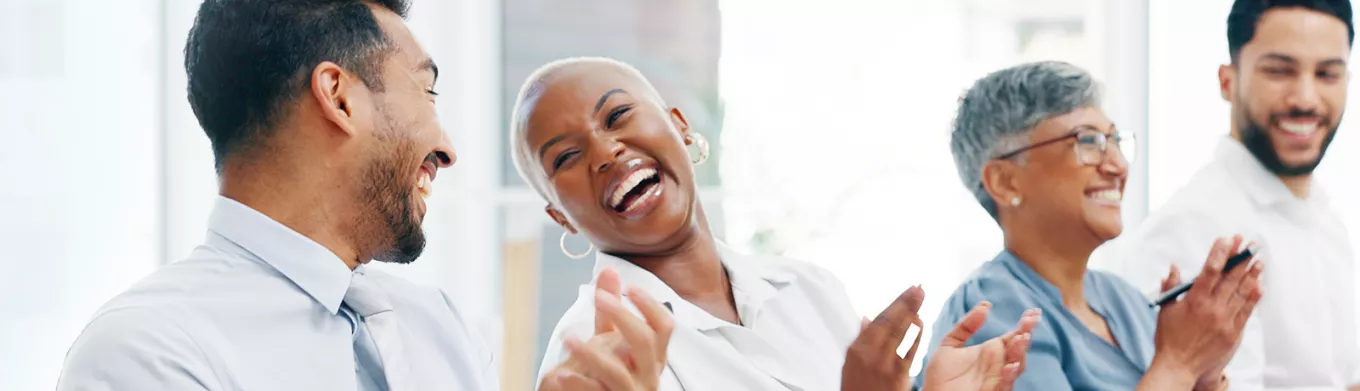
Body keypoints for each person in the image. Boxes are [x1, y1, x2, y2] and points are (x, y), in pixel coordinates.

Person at [56, 1, 667, 390]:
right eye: (427, 94)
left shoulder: (444, 330)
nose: (448, 148)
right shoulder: (146, 353)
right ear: (339, 97)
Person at [509, 56, 1045, 391]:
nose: (605, 151)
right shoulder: (592, 351)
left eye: (617, 116)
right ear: (561, 216)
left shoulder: (808, 289)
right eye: (565, 158)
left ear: (679, 126)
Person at [913, 61, 1266, 391]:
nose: (1117, 165)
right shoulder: (990, 311)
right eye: (1088, 142)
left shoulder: (1122, 299)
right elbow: (1172, 370)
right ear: (1005, 181)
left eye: (1114, 141)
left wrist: (1204, 373)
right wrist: (1179, 362)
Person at [1115, 1, 1360, 390]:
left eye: (1327, 73)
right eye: (1279, 71)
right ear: (1227, 82)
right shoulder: (1194, 227)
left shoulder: (1326, 219)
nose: (1306, 98)